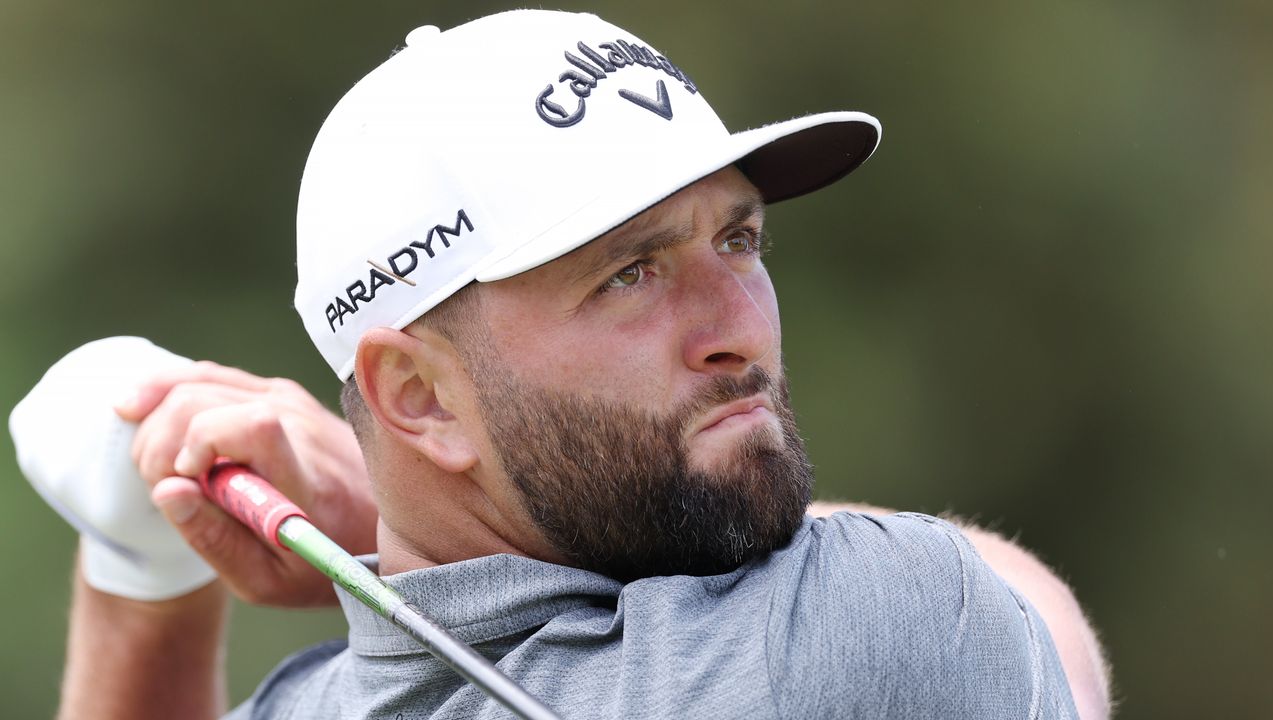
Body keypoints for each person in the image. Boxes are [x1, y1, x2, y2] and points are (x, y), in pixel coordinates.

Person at [49, 10, 1109, 719]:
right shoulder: (871, 619)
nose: (736, 324)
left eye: (737, 240)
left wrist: (142, 574)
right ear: (416, 398)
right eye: (631, 274)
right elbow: (1024, 612)